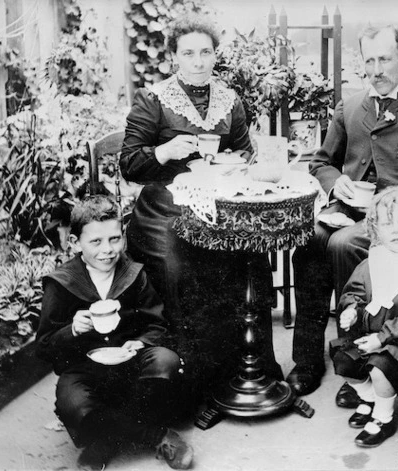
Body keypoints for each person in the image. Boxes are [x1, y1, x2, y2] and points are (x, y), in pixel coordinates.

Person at [287, 24, 398, 396]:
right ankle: (306, 361)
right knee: (307, 242)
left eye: (385, 58)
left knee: (343, 244)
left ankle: (355, 365)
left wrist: (392, 201)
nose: (377, 69)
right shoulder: (350, 107)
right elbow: (321, 162)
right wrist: (337, 182)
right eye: (369, 60)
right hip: (347, 211)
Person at [119, 14, 280, 395]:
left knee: (251, 257)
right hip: (164, 209)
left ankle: (246, 368)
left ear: (214, 55)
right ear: (174, 56)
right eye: (188, 53)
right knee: (179, 267)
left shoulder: (229, 100)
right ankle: (189, 383)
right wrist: (163, 150)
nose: (198, 61)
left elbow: (243, 150)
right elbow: (129, 164)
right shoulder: (154, 99)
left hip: (217, 208)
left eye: (205, 52)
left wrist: (234, 162)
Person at [36, 195, 193, 470]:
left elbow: (156, 323)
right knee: (73, 404)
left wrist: (140, 343)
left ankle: (105, 440)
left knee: (166, 362)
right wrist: (72, 330)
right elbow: (44, 346)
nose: (107, 250)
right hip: (85, 370)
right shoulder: (61, 283)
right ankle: (152, 435)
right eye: (95, 242)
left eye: (115, 239)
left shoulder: (133, 274)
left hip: (129, 364)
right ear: (75, 243)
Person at [331, 186, 398, 448]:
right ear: (376, 229)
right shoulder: (374, 258)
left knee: (380, 369)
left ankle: (383, 416)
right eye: (388, 224)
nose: (397, 230)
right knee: (343, 360)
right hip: (368, 335)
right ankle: (369, 398)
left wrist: (382, 338)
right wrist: (350, 310)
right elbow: (354, 290)